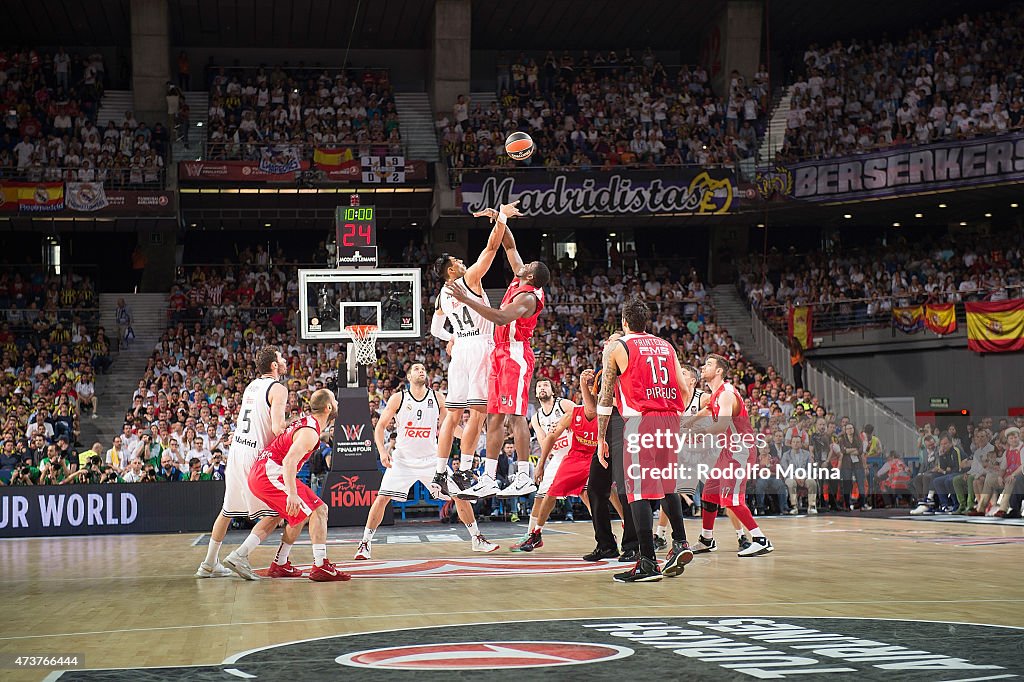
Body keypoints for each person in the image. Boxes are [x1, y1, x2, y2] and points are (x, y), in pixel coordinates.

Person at [446, 221, 550, 499]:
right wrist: (501, 218)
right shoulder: (520, 277)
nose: (523, 264)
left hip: (516, 353)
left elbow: (502, 317)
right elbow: (509, 245)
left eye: (528, 266)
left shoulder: (528, 297)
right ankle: (489, 478)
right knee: (494, 418)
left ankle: (524, 477)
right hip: (499, 352)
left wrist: (467, 300)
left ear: (531, 276)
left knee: (516, 418)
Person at [596, 295, 694, 582]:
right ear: (646, 321)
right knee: (666, 485)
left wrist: (602, 436)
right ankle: (680, 543)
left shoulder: (618, 347)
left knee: (638, 491)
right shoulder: (666, 346)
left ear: (625, 322)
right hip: (670, 419)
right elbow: (684, 390)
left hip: (641, 421)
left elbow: (605, 399)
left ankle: (647, 562)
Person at [355, 363, 498, 559]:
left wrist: (467, 440)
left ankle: (477, 539)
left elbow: (450, 426)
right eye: (416, 369)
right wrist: (382, 451)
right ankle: (365, 543)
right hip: (403, 460)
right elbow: (379, 427)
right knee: (382, 498)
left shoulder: (438, 397)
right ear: (408, 376)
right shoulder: (399, 398)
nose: (421, 371)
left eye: (423, 369)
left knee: (459, 495)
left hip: (432, 460)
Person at [430, 201, 520, 497]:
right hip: (481, 347)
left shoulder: (442, 295)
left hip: (460, 353)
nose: (460, 261)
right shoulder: (467, 280)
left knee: (452, 417)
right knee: (479, 415)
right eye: (455, 261)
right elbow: (492, 250)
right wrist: (502, 217)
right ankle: (467, 469)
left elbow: (434, 330)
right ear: (450, 271)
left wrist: (452, 338)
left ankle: (440, 473)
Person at [196, 347, 289, 580]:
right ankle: (241, 554)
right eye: (281, 358)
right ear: (274, 366)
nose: (285, 359)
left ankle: (208, 563)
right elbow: (278, 429)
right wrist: (300, 427)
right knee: (280, 510)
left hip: (237, 450)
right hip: (256, 455)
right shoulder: (278, 388)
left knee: (227, 510)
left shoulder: (252, 385)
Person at [248, 388, 350, 582]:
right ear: (328, 407)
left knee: (298, 515)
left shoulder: (308, 424)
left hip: (265, 470)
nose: (337, 403)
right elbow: (288, 462)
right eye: (335, 401)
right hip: (270, 472)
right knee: (319, 510)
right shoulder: (310, 432)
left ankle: (279, 563)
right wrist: (292, 494)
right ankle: (320, 565)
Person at [691, 353, 775, 557]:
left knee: (730, 499)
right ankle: (706, 539)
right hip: (727, 451)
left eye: (708, 364)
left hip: (740, 450)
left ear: (719, 371)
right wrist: (686, 422)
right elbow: (707, 410)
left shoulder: (726, 393)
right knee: (709, 494)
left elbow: (720, 425)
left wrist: (697, 432)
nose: (703, 367)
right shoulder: (717, 394)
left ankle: (760, 539)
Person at [512, 375, 590, 552]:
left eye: (546, 385)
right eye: (539, 386)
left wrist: (572, 423)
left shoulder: (563, 404)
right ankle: (532, 533)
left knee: (586, 494)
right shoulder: (537, 418)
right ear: (536, 393)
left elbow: (583, 416)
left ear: (553, 390)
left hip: (576, 453)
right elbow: (544, 442)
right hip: (557, 457)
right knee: (542, 496)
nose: (542, 388)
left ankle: (604, 533)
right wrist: (542, 463)